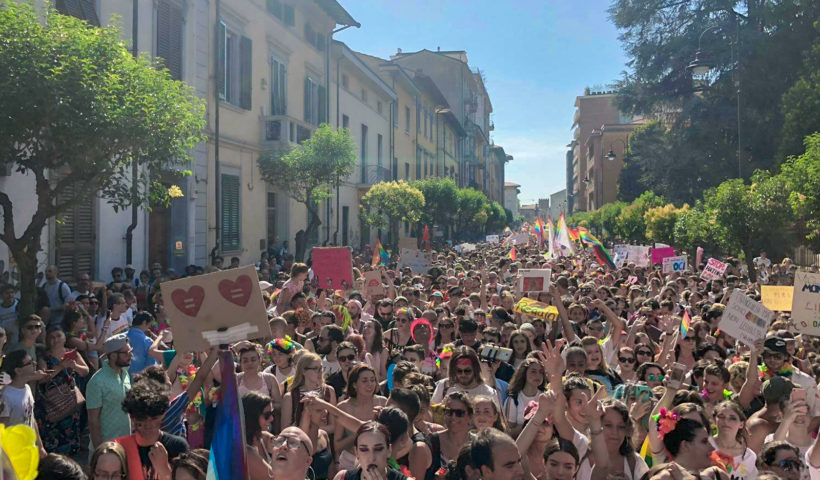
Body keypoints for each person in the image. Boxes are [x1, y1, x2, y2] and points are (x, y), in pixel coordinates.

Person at [116, 379, 189, 480]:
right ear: (132, 417)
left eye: (154, 418)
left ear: (163, 415)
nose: (148, 424)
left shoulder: (177, 446)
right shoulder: (121, 449)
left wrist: (165, 472)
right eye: (142, 418)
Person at [35, 325, 89, 454]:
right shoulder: (44, 358)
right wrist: (60, 366)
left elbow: (85, 371)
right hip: (52, 403)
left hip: (70, 400)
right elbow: (42, 379)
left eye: (58, 336)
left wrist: (74, 365)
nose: (56, 340)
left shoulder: (72, 353)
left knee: (71, 432)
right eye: (52, 337)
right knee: (53, 436)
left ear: (64, 337)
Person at [87, 333, 133, 451]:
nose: (131, 355)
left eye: (130, 351)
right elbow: (93, 421)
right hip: (107, 448)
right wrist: (100, 452)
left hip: (126, 444)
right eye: (126, 353)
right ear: (112, 356)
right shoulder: (97, 382)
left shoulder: (125, 373)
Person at [335, 364, 387, 464]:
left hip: (380, 461)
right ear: (354, 384)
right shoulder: (343, 407)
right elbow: (337, 447)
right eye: (364, 381)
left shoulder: (383, 403)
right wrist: (361, 430)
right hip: (351, 462)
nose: (370, 384)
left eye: (372, 380)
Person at [0, 349, 47, 457]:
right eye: (29, 363)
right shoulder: (6, 396)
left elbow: (31, 418)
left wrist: (40, 447)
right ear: (18, 370)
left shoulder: (27, 388)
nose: (34, 364)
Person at [333, 421, 410, 480]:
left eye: (378, 449)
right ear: (356, 452)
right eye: (364, 449)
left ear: (389, 450)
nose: (371, 457)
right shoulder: (342, 477)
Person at [281, 352, 336, 428]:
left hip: (323, 437)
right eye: (316, 369)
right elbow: (285, 428)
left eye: (321, 368)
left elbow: (333, 426)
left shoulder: (329, 391)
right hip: (299, 438)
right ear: (304, 371)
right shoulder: (290, 397)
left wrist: (315, 432)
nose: (320, 372)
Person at [127, 311, 158, 376]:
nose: (149, 328)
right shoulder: (147, 341)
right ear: (144, 323)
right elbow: (151, 366)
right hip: (140, 380)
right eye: (149, 325)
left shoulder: (121, 337)